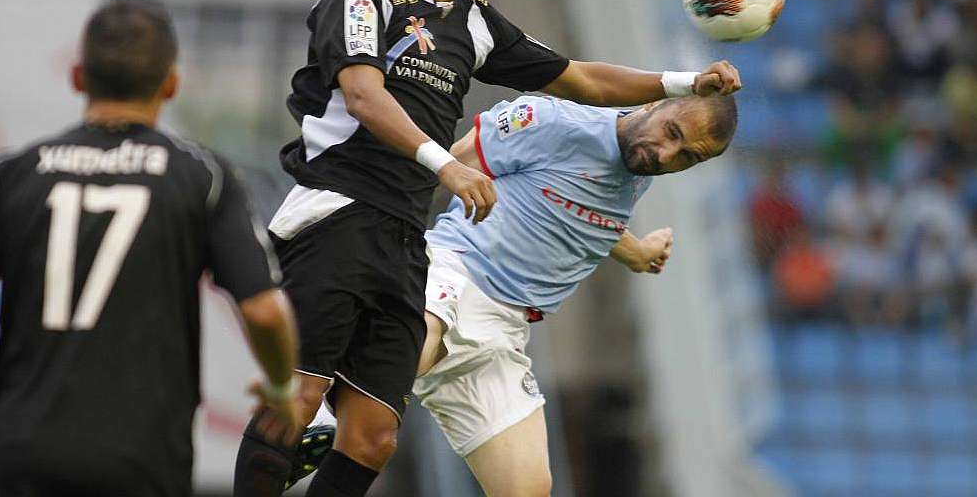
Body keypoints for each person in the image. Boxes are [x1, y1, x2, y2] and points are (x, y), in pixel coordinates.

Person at [234, 0, 742, 497]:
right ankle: (312, 420)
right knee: (310, 399)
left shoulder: (477, 25)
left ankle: (325, 419)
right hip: (354, 216)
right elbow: (368, 97)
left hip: (417, 252)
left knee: (379, 439)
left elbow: (580, 80)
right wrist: (447, 168)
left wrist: (687, 83)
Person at [285, 91, 738, 496]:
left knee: (527, 488)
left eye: (687, 157)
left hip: (504, 332)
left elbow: (580, 209)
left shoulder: (639, 161)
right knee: (418, 340)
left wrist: (636, 252)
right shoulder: (554, 122)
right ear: (652, 104)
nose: (667, 154)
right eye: (672, 132)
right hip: (455, 270)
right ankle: (321, 418)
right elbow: (452, 164)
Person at [0, 0, 304, 497]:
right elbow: (264, 312)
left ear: (78, 77)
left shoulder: (10, 173)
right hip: (139, 459)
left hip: (13, 455)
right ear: (171, 83)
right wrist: (280, 389)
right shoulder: (202, 177)